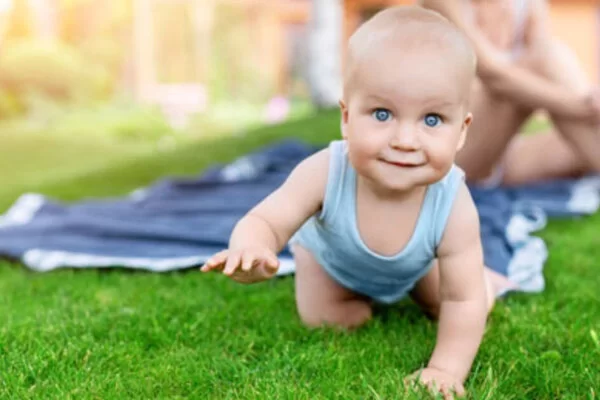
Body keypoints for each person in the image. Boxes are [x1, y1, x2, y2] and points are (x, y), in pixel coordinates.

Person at [202, 6, 502, 398]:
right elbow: (267, 220)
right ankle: (348, 298)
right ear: (346, 117)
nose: (405, 140)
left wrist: (445, 369)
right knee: (330, 321)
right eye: (382, 114)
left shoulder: (453, 202)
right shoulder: (326, 171)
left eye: (431, 120)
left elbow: (461, 299)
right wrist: (251, 246)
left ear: (461, 132)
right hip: (330, 268)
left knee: (463, 302)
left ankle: (490, 283)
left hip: (413, 267)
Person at [419, 0, 600, 186]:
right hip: (455, 152)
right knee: (548, 58)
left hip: (504, 152)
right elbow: (492, 74)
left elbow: (546, 58)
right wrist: (582, 106)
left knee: (578, 145)